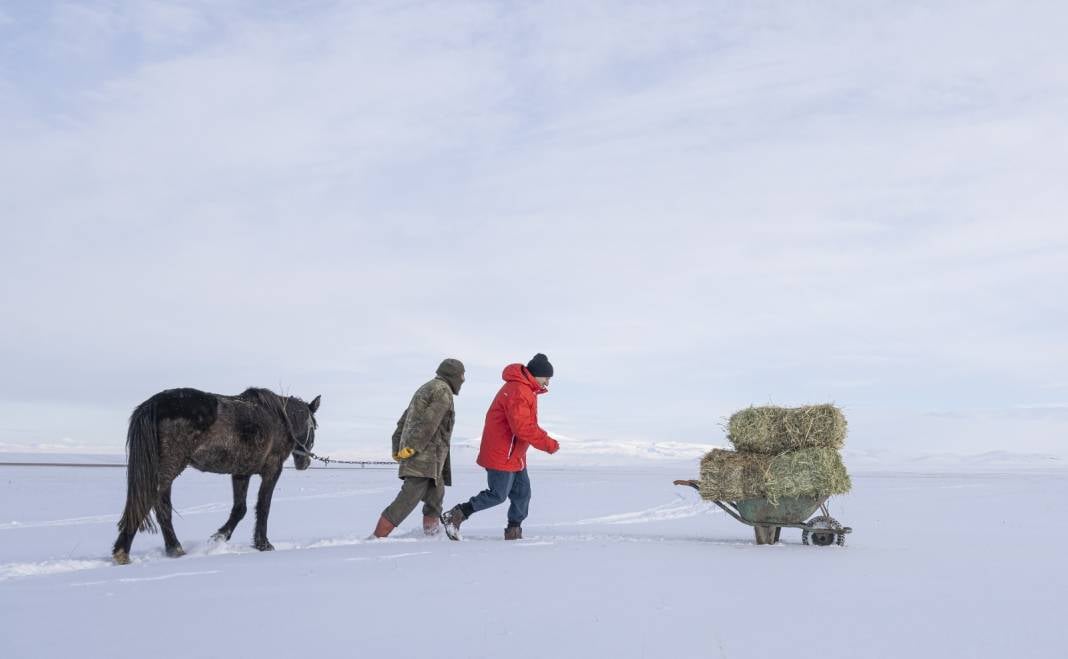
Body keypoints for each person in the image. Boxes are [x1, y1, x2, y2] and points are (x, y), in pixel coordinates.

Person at [441, 353, 559, 541]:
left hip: (515, 454)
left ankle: (514, 532)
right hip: (502, 453)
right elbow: (522, 428)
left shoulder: (526, 390)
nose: (547, 382)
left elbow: (525, 426)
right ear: (536, 374)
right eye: (546, 377)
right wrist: (548, 444)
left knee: (522, 494)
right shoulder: (518, 390)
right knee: (498, 495)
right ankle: (456, 514)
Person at [372, 358, 465, 538]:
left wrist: (397, 446)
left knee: (435, 500)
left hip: (433, 461)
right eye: (462, 375)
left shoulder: (427, 388)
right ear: (452, 375)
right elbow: (429, 423)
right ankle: (376, 538)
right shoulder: (442, 391)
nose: (463, 379)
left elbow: (403, 420)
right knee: (407, 500)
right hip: (424, 458)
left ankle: (431, 538)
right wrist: (412, 447)